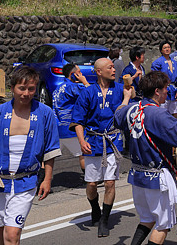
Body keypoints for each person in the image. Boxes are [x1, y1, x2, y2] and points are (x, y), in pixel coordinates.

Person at [0, 67, 60, 245]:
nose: (26, 93)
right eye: (21, 88)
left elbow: (50, 150)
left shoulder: (45, 113)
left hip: (26, 182)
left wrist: (47, 179)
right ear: (12, 88)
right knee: (1, 230)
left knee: (12, 234)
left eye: (31, 89)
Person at [114, 71, 177, 245]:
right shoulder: (158, 114)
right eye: (166, 88)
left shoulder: (132, 108)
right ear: (157, 91)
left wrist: (126, 98)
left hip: (137, 175)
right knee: (163, 225)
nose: (168, 91)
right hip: (157, 178)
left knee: (147, 218)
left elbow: (118, 115)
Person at [71, 57, 132, 237]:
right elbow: (78, 120)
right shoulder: (88, 92)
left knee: (110, 182)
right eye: (110, 67)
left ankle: (104, 219)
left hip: (113, 140)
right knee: (91, 183)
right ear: (99, 71)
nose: (114, 70)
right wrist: (82, 141)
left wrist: (130, 90)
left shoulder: (120, 89)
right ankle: (94, 208)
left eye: (114, 67)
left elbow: (132, 97)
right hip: (93, 140)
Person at [52, 63, 90, 171]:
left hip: (58, 128)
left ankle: (41, 178)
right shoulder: (72, 87)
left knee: (49, 156)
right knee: (83, 154)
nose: (81, 74)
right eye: (79, 72)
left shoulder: (58, 88)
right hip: (71, 128)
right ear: (73, 74)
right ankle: (90, 179)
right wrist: (84, 81)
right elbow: (91, 94)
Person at [151, 42, 177, 117]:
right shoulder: (157, 62)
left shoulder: (174, 62)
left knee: (175, 112)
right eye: (165, 48)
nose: (167, 49)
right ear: (161, 50)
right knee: (163, 111)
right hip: (163, 89)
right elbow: (155, 77)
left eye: (168, 47)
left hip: (174, 89)